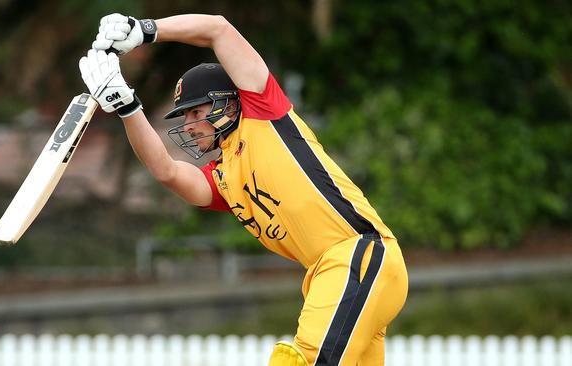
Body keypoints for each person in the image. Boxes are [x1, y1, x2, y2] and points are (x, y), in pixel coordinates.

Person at [79, 13, 408, 366]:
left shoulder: (263, 112)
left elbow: (217, 29)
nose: (188, 126)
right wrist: (127, 108)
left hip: (357, 255)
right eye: (184, 117)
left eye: (195, 112)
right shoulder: (223, 177)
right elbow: (166, 171)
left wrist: (144, 31)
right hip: (327, 275)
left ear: (226, 101)